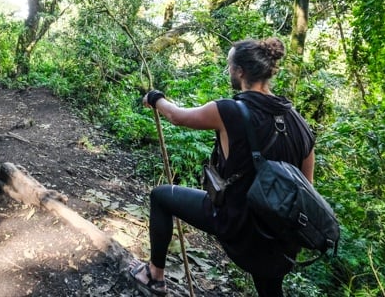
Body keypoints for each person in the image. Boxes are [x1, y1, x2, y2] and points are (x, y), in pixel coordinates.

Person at [129, 38, 315, 297]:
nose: (228, 70)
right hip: (279, 240)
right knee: (270, 287)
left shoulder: (230, 110)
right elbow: (307, 188)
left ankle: (154, 276)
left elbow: (177, 116)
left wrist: (156, 98)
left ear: (239, 71)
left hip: (237, 225)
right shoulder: (300, 123)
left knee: (160, 197)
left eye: (229, 66)